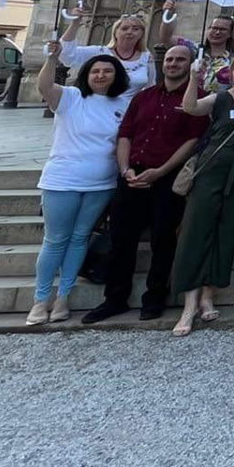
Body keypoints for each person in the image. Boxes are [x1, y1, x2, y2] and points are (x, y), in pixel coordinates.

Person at [82, 42, 208, 324]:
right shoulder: (144, 96)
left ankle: (154, 298)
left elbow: (192, 141)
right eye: (170, 59)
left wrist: (161, 171)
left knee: (163, 239)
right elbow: (126, 133)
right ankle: (114, 298)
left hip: (167, 177)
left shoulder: (197, 98)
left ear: (191, 65)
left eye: (180, 60)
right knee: (120, 239)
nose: (173, 64)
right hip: (133, 174)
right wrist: (125, 169)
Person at [169, 50, 234, 336]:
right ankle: (189, 305)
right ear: (231, 71)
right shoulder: (219, 98)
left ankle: (208, 295)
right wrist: (194, 77)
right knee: (196, 231)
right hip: (213, 167)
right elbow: (190, 107)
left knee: (226, 232)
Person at [29, 45, 131, 325]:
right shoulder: (70, 97)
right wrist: (51, 57)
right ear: (86, 74)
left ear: (116, 76)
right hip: (63, 179)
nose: (100, 75)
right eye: (95, 71)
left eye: (107, 71)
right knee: (55, 240)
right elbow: (44, 85)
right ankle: (40, 300)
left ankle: (63, 296)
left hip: (101, 182)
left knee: (79, 238)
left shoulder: (123, 104)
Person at [61, 6, 173, 94]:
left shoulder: (146, 57)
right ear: (115, 32)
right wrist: (75, 23)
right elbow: (67, 55)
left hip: (130, 113)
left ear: (141, 34)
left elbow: (150, 87)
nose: (130, 32)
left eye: (135, 29)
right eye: (124, 28)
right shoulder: (99, 52)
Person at [195, 15, 234, 93]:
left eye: (223, 29)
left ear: (230, 34)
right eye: (214, 28)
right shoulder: (195, 50)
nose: (217, 32)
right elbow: (167, 40)